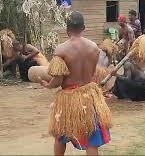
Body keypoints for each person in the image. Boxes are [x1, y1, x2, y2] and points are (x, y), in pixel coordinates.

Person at [39, 11, 112, 155]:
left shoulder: (61, 49)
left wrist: (48, 85)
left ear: (67, 29)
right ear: (83, 28)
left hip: (68, 98)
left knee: (60, 136)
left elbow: (58, 79)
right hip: (89, 95)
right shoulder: (93, 48)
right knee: (91, 138)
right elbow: (91, 74)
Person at [110, 35, 145, 102]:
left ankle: (127, 96)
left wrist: (116, 75)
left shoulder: (128, 63)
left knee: (118, 80)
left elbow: (127, 79)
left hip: (138, 86)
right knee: (121, 78)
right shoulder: (140, 59)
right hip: (144, 85)